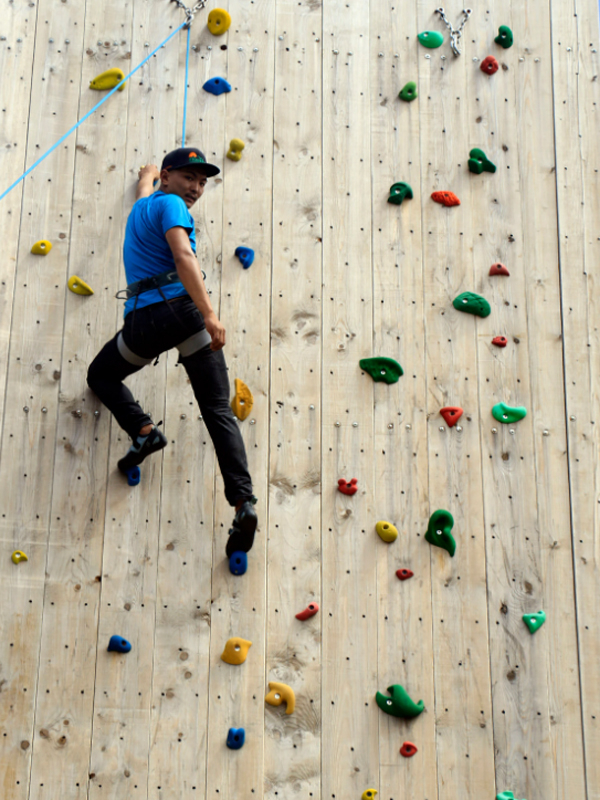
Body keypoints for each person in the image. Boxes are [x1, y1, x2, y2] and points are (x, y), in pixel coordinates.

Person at [87, 147, 257, 558]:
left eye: (201, 182)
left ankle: (144, 432)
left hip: (147, 321)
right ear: (168, 178)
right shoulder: (174, 208)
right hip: (184, 313)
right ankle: (243, 502)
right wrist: (210, 314)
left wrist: (144, 175)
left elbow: (144, 193)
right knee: (217, 409)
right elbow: (183, 255)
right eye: (189, 178)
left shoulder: (148, 204)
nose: (196, 188)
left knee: (103, 376)